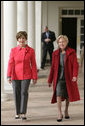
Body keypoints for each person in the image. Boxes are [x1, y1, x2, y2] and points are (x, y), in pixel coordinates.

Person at [48, 35, 80, 122]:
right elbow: (53, 68)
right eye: (60, 42)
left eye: (63, 41)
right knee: (58, 94)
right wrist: (50, 80)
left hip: (69, 77)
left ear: (66, 42)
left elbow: (75, 65)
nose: (61, 43)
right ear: (58, 43)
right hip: (58, 78)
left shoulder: (71, 52)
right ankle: (59, 113)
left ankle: (66, 110)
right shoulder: (55, 53)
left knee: (67, 96)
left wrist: (74, 75)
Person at [7, 31, 37, 120]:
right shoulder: (13, 50)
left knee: (24, 93)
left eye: (23, 38)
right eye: (20, 38)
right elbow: (10, 63)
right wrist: (8, 76)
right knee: (16, 93)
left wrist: (34, 77)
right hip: (15, 75)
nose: (21, 40)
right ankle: (17, 112)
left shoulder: (31, 50)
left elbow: (34, 64)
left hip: (27, 75)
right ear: (17, 40)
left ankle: (23, 112)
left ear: (26, 39)